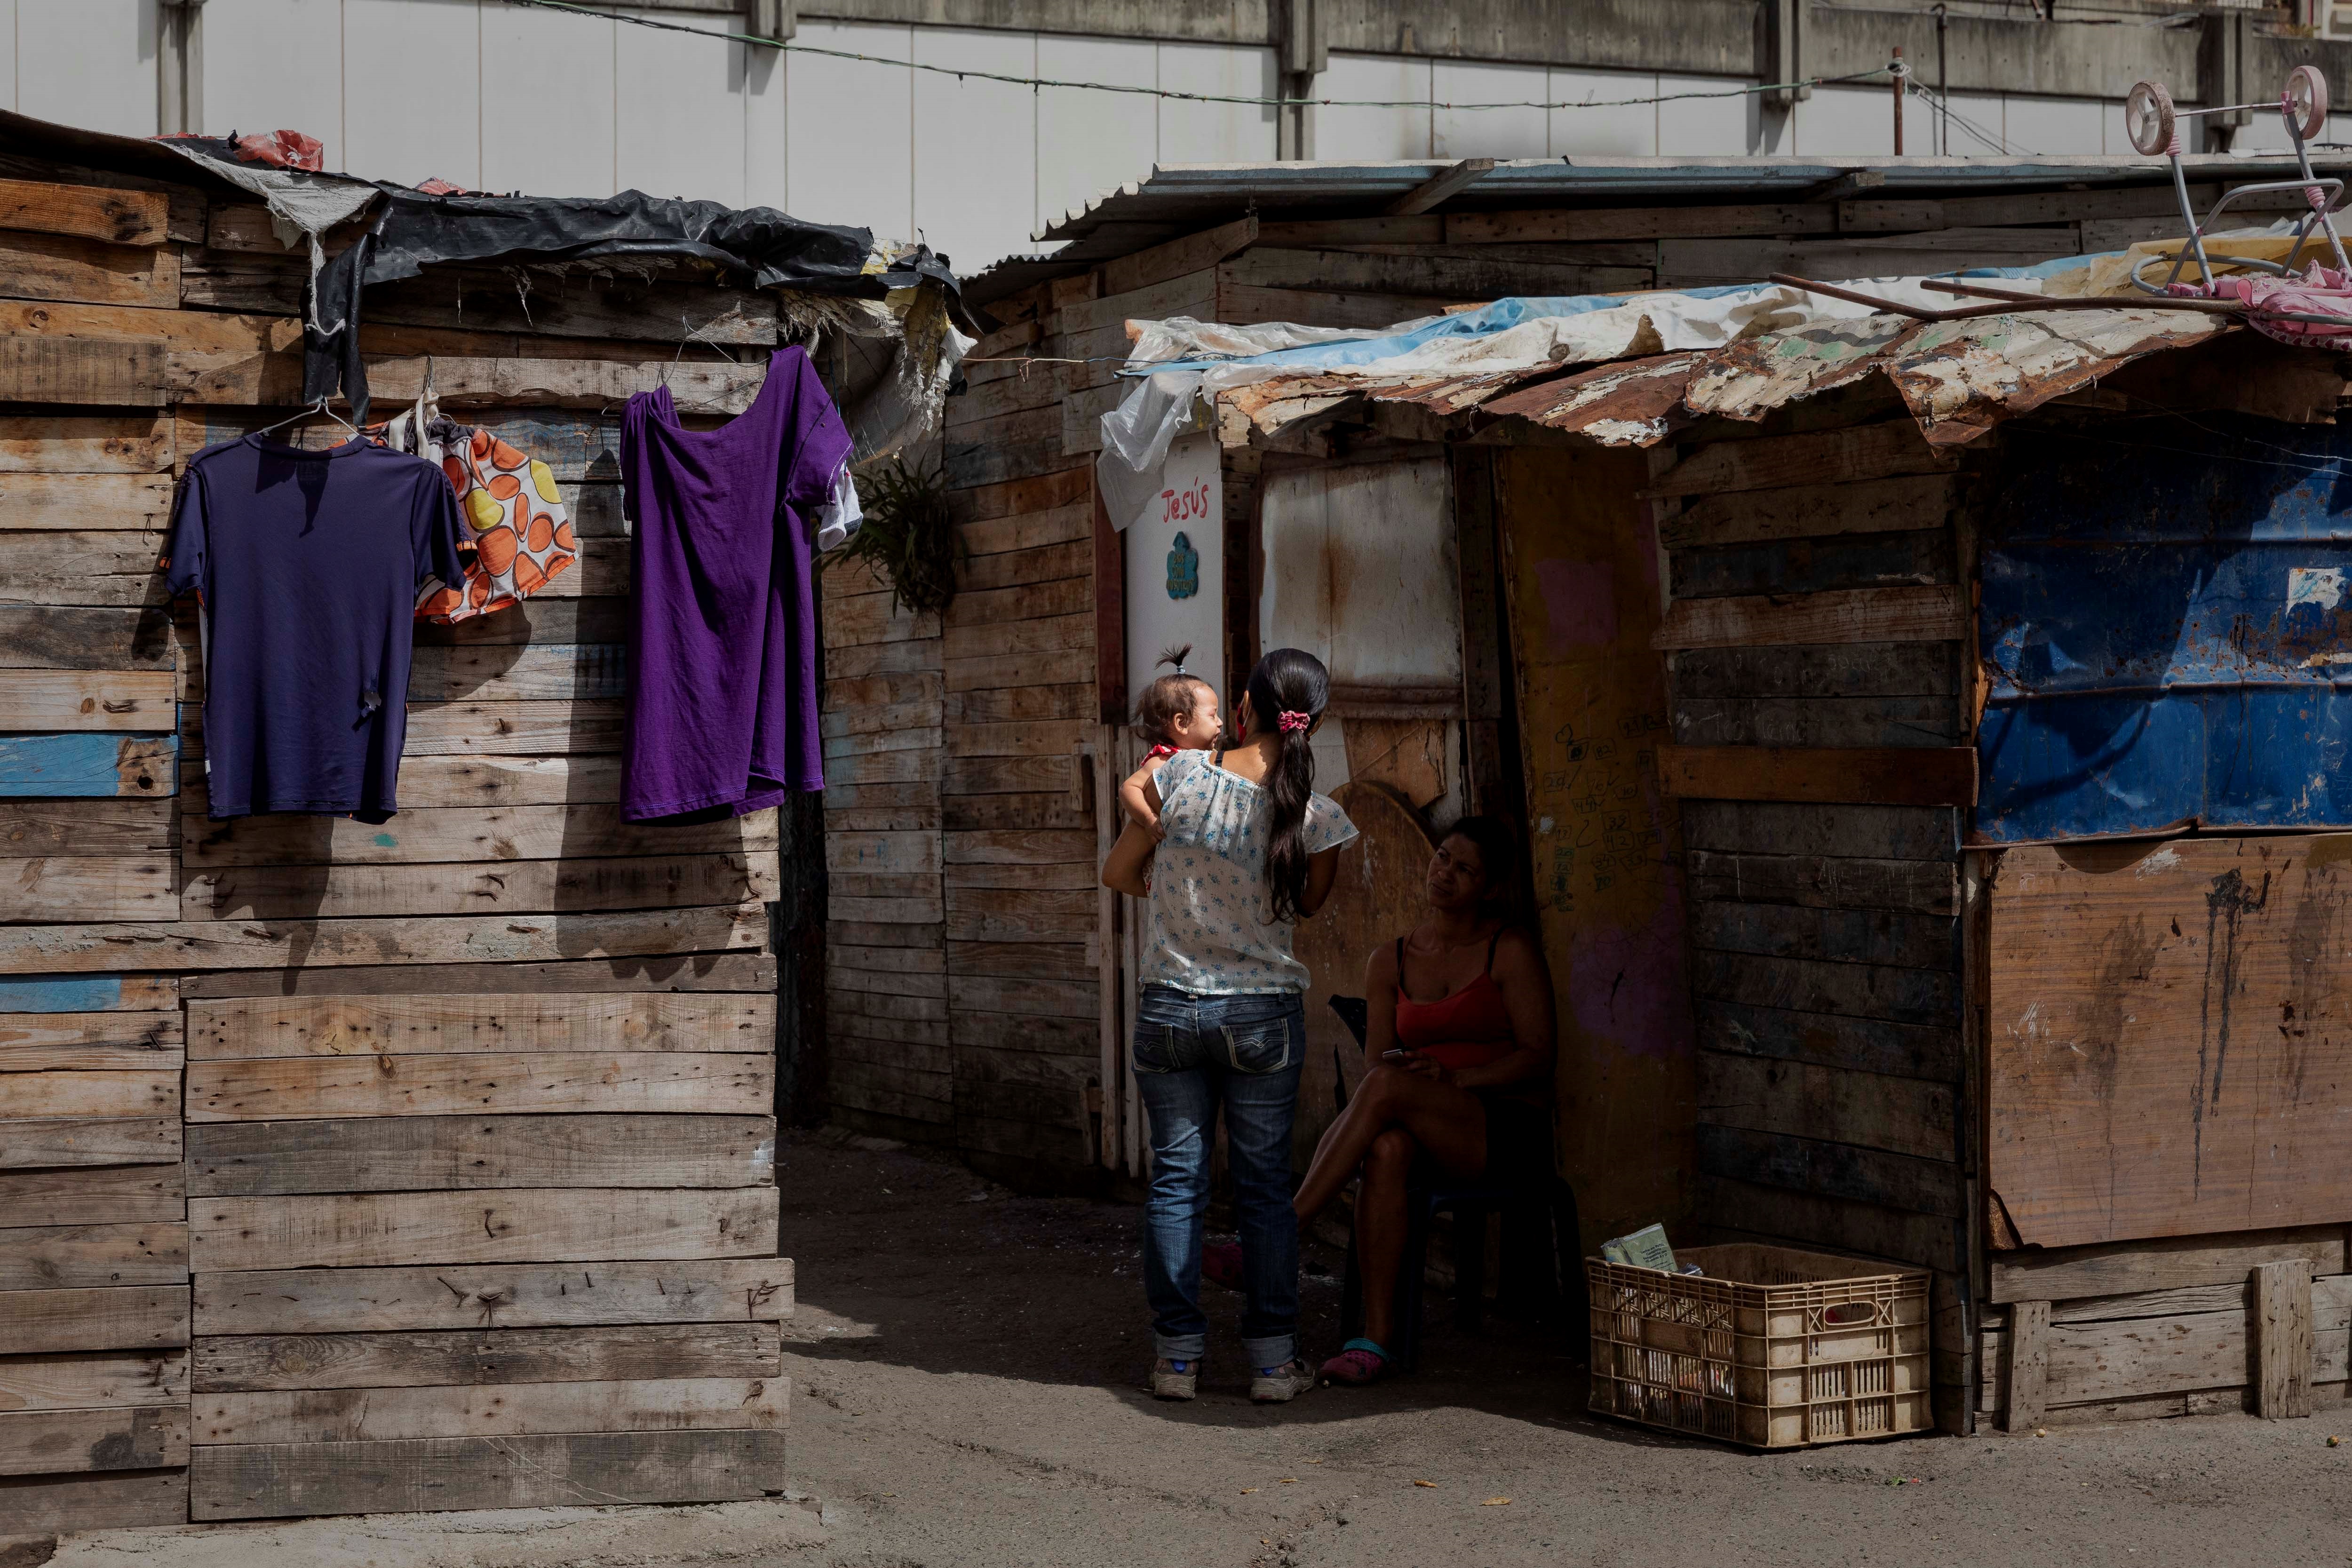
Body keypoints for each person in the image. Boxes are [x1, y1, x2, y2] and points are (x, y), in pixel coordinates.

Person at [1100, 647, 1358, 1405]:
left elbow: (1118, 874)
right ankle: (1274, 1363)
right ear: (1313, 722)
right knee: (1264, 1193)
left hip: (1171, 1005)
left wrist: (1172, 884)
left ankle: (1176, 1359)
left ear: (1241, 712)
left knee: (1176, 1185)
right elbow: (1310, 907)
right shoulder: (1317, 814)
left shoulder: (1177, 777)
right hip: (1262, 1015)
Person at [1292, 816, 1557, 1386]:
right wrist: (1420, 1082)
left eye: (1465, 870)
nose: (1446, 874)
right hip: (1421, 1124)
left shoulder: (1506, 950)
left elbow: (1539, 1056)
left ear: (1488, 888)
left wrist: (1458, 1081)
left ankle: (1283, 1233)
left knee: (1386, 1092)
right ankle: (1375, 1340)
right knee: (1384, 1147)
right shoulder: (1389, 960)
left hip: (1501, 1128)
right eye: (1442, 857)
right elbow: (1377, 1066)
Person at [1117, 644, 1221, 840]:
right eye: (1213, 715)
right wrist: (1149, 819)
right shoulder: (1164, 760)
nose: (1220, 722)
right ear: (1182, 723)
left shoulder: (1209, 758)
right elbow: (1128, 789)